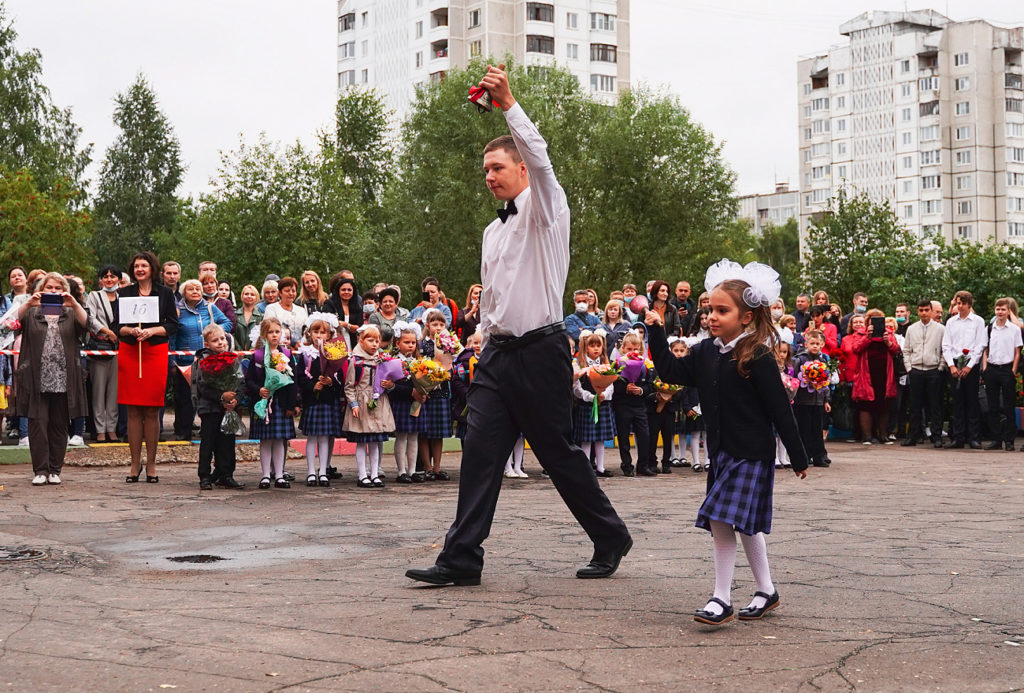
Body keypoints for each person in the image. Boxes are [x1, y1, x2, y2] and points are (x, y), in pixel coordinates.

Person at [406, 65, 631, 587]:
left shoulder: (548, 211)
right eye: (484, 169)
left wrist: (508, 103)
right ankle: (461, 557)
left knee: (556, 453)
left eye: (498, 167)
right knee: (480, 451)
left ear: (522, 170)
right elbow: (494, 297)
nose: (489, 176)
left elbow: (542, 157)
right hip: (498, 355)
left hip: (542, 352)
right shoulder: (492, 230)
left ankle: (610, 535)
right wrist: (481, 336)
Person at [645, 259, 807, 625]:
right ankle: (767, 591)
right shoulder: (705, 352)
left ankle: (721, 598)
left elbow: (780, 410)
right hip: (721, 452)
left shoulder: (758, 356)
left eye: (722, 311)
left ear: (746, 317)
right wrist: (655, 332)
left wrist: (798, 456)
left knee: (720, 518)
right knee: (743, 524)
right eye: (710, 310)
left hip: (751, 452)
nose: (712, 317)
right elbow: (670, 370)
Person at [15, 272, 89, 485]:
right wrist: (29, 303)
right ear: (41, 289)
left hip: (64, 377)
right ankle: (40, 470)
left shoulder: (71, 312)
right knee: (37, 424)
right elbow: (11, 323)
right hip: (36, 377)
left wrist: (74, 304)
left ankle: (55, 470)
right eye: (49, 288)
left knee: (59, 424)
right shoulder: (32, 312)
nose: (54, 291)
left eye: (58, 288)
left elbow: (87, 326)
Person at [114, 252, 179, 483]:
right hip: (130, 352)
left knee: (152, 410)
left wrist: (151, 331)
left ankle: (151, 465)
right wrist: (131, 331)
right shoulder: (124, 293)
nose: (139, 269)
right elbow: (117, 326)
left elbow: (173, 325)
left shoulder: (165, 293)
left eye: (143, 265)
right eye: (136, 266)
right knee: (132, 410)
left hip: (154, 352)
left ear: (152, 268)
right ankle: (134, 465)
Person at [170, 279, 232, 442]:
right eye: (191, 289)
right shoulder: (178, 310)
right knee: (184, 398)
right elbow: (172, 336)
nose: (195, 291)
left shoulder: (210, 308)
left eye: (198, 288)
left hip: (208, 361)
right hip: (185, 361)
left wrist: (215, 333)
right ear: (184, 293)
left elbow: (227, 322)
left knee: (207, 396)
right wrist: (172, 361)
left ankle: (208, 431)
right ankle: (184, 431)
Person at [190, 324, 245, 490]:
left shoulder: (233, 359)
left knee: (227, 442)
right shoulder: (203, 361)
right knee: (208, 443)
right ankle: (205, 476)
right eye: (215, 340)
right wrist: (221, 396)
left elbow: (240, 382)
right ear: (206, 344)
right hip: (209, 409)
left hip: (228, 409)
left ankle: (225, 474)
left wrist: (236, 399)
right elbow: (202, 386)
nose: (220, 342)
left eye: (222, 339)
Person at [246, 317, 297, 489]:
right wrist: (259, 389)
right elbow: (249, 380)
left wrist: (291, 405)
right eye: (270, 332)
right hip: (264, 402)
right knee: (266, 440)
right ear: (263, 335)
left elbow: (293, 382)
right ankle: (266, 475)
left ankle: (280, 475)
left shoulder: (287, 355)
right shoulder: (258, 356)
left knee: (279, 440)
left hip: (280, 404)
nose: (274, 335)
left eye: (277, 331)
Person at [344, 324, 395, 488]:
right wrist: (353, 404)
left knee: (375, 443)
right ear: (361, 341)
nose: (374, 344)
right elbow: (349, 386)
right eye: (370, 340)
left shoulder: (383, 360)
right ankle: (362, 475)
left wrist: (389, 385)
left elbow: (389, 381)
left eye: (377, 341)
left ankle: (374, 474)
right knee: (361, 442)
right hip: (361, 404)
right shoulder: (355, 361)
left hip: (378, 403)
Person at [295, 315, 343, 486]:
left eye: (323, 333)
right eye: (316, 332)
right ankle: (310, 472)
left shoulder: (334, 353)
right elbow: (299, 377)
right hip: (312, 401)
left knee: (324, 438)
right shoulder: (306, 354)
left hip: (328, 400)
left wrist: (330, 381)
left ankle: (322, 471)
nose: (319, 336)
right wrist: (312, 386)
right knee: (312, 438)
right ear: (310, 333)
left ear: (329, 335)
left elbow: (341, 377)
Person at [846, 310, 902, 444]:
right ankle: (867, 436)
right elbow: (856, 348)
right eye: (872, 319)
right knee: (865, 405)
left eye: (879, 319)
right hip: (866, 373)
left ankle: (883, 435)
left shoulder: (889, 333)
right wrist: (868, 337)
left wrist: (888, 343)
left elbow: (897, 351)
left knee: (884, 404)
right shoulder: (861, 333)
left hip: (884, 373)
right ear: (868, 321)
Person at [941, 291, 987, 449]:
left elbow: (980, 345)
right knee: (957, 401)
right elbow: (946, 345)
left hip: (970, 363)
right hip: (955, 362)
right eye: (957, 303)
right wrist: (951, 365)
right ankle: (958, 437)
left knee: (972, 401)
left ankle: (974, 437)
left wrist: (969, 366)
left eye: (962, 303)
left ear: (968, 304)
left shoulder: (978, 321)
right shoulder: (951, 322)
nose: (959, 306)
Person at [84, 265, 121, 443]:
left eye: (112, 276)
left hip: (120, 348)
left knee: (114, 392)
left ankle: (111, 428)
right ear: (100, 280)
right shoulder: (94, 296)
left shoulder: (123, 297)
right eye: (105, 276)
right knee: (98, 391)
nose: (109, 279)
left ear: (119, 279)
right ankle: (100, 429)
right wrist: (108, 332)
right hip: (100, 347)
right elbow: (90, 318)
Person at [901, 299, 945, 448]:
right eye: (921, 310)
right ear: (917, 312)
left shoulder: (940, 329)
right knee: (915, 405)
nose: (924, 313)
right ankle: (913, 436)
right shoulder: (912, 329)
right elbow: (906, 350)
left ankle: (937, 436)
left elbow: (945, 349)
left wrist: (940, 367)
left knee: (935, 405)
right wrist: (909, 368)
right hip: (916, 370)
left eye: (927, 310)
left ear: (931, 311)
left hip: (933, 370)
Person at [572, 330, 615, 478]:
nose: (596, 348)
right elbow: (577, 388)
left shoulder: (606, 365)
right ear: (586, 347)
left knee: (600, 439)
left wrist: (603, 395)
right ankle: (586, 468)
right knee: (586, 439)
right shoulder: (580, 365)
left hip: (602, 404)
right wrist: (590, 397)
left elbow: (611, 385)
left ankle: (601, 467)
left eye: (598, 345)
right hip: (587, 405)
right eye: (592, 346)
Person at [417, 310, 454, 481]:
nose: (438, 327)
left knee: (438, 432)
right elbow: (419, 366)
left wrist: (448, 373)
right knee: (424, 432)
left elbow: (451, 363)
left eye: (441, 324)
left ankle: (438, 468)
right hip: (426, 391)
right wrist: (426, 382)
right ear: (427, 325)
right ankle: (427, 467)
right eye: (434, 324)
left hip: (441, 391)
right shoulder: (422, 344)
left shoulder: (448, 344)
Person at [981, 298, 1021, 451]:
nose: (1000, 312)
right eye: (998, 309)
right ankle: (996, 439)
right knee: (993, 406)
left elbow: (1017, 352)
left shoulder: (1014, 329)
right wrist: (985, 368)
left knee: (1009, 406)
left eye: (1003, 309)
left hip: (1007, 369)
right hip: (992, 368)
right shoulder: (989, 328)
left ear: (1008, 311)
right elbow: (985, 349)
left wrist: (1013, 371)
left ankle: (1009, 440)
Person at [612, 331, 654, 476]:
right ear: (622, 348)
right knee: (623, 437)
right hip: (623, 405)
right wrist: (625, 388)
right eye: (629, 349)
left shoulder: (645, 365)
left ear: (641, 349)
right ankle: (627, 465)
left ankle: (643, 465)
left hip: (639, 406)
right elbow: (612, 385)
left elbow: (650, 386)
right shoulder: (617, 364)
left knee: (644, 436)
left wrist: (640, 390)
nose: (632, 352)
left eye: (636, 349)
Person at [389, 321, 425, 483]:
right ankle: (401, 471)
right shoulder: (393, 361)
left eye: (413, 342)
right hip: (401, 402)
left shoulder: (419, 360)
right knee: (401, 436)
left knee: (414, 436)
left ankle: (412, 470)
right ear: (398, 343)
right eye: (406, 342)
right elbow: (391, 385)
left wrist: (424, 392)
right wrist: (410, 391)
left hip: (416, 403)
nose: (410, 345)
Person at [792, 330, 832, 466]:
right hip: (803, 400)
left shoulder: (823, 360)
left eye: (817, 344)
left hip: (818, 401)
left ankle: (819, 455)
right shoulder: (800, 359)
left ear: (821, 345)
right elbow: (795, 379)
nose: (815, 346)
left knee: (817, 428)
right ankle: (805, 455)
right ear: (806, 344)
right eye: (812, 343)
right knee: (804, 428)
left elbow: (826, 382)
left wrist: (826, 400)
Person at [263, 277, 307, 346]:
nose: (291, 293)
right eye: (287, 291)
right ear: (280, 293)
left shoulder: (301, 310)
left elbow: (306, 331)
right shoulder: (271, 309)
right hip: (279, 348)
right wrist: (293, 343)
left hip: (300, 348)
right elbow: (269, 330)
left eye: (293, 291)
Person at [323, 277, 363, 350]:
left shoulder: (358, 307)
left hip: (353, 343)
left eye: (349, 290)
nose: (346, 292)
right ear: (338, 291)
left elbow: (359, 328)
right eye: (343, 290)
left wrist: (346, 325)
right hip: (334, 342)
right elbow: (325, 324)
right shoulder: (330, 304)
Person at [234, 284, 263, 351]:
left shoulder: (261, 317)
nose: (249, 296)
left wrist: (253, 348)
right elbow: (232, 334)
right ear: (242, 296)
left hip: (254, 352)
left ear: (256, 298)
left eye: (252, 294)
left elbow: (261, 336)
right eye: (246, 294)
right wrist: (238, 349)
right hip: (237, 352)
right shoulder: (235, 315)